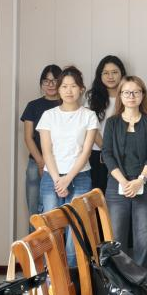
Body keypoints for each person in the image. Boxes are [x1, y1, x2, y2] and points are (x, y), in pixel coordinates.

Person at [36, 66, 97, 265]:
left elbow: (86, 152)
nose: (68, 90)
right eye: (64, 86)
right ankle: (52, 275)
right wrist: (57, 180)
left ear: (81, 89)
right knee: (50, 226)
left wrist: (68, 178)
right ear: (59, 89)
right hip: (51, 178)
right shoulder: (48, 115)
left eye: (73, 86)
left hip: (80, 177)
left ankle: (73, 272)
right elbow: (47, 151)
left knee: (75, 226)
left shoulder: (89, 116)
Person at [102, 76, 147, 273]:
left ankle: (145, 280)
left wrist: (140, 180)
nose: (131, 96)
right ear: (120, 95)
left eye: (136, 92)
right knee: (116, 236)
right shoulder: (112, 122)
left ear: (143, 95)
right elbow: (107, 154)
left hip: (144, 184)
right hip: (116, 186)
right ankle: (119, 279)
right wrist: (124, 181)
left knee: (145, 236)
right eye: (126, 92)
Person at [20, 64, 62, 231]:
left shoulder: (65, 105)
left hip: (61, 164)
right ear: (41, 83)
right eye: (46, 81)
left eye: (54, 81)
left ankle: (55, 247)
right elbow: (28, 137)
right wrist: (40, 162)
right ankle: (34, 247)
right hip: (35, 163)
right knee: (35, 211)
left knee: (56, 212)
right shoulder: (33, 106)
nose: (50, 85)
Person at [87, 55, 127, 191]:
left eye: (114, 72)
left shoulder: (128, 95)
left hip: (124, 154)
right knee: (98, 194)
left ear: (122, 73)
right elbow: (91, 128)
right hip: (98, 154)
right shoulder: (91, 97)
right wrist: (107, 151)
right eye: (106, 73)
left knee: (121, 194)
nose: (110, 76)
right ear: (100, 75)